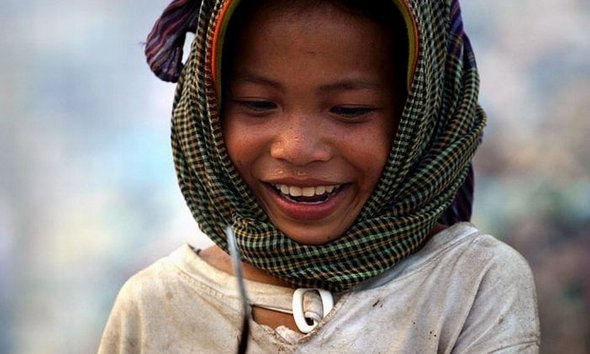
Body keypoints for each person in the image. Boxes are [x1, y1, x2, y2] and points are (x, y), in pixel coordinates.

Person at [98, 0, 540, 352]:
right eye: (257, 104)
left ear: (421, 119)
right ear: (207, 111)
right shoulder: (154, 307)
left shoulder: (470, 284)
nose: (297, 149)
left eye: (350, 111)